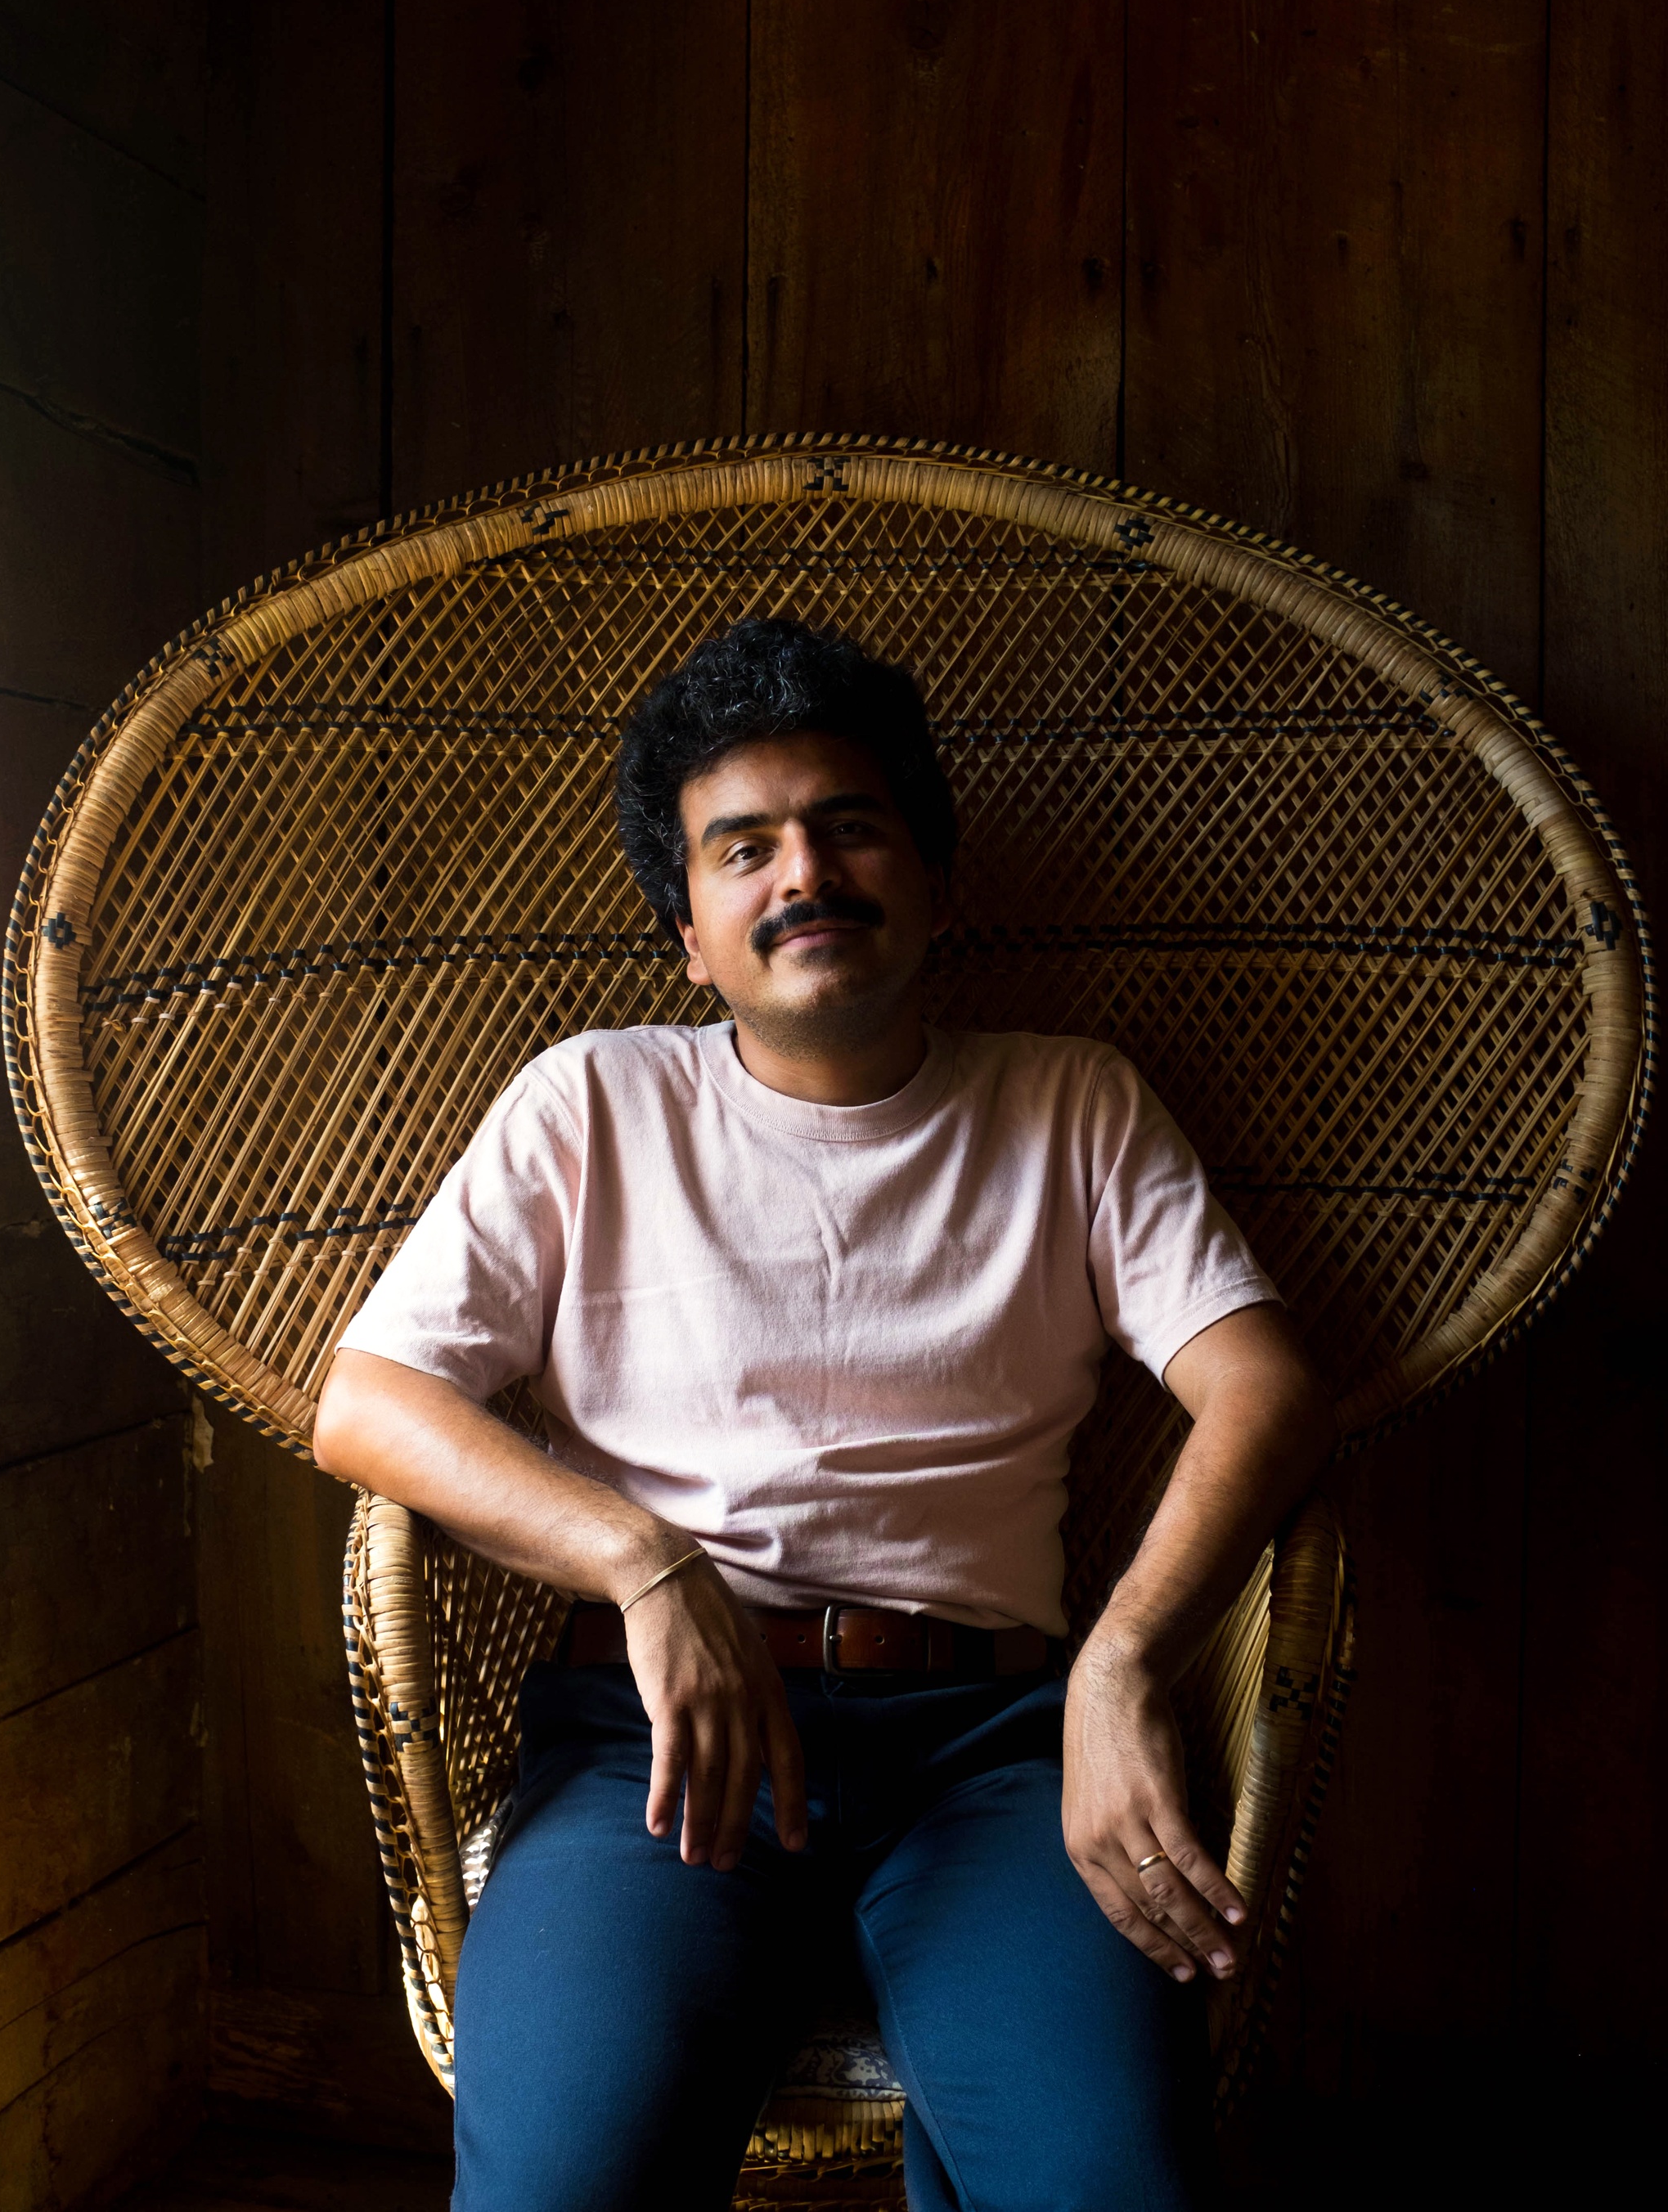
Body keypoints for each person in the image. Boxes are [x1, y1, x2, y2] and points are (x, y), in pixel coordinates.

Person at [313, 617, 1334, 2212]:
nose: (805, 870)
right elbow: (369, 1400)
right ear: (692, 935)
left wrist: (1120, 1664)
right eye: (744, 847)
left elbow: (1261, 1380)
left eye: (849, 826)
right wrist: (647, 1562)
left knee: (1109, 2189)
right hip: (660, 1753)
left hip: (991, 1752)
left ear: (933, 881)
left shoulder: (1071, 1100)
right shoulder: (592, 1102)